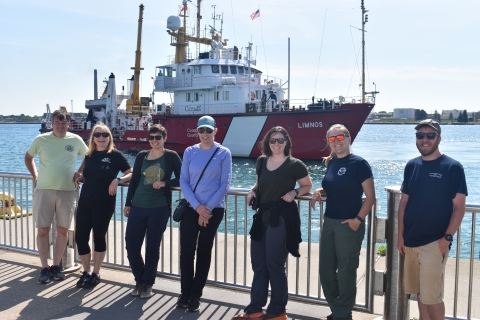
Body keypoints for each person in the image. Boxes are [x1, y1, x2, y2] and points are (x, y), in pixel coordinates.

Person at [234, 126, 312, 320]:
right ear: (267, 143)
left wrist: (294, 192)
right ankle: (255, 310)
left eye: (280, 140)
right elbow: (260, 183)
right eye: (273, 140)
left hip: (282, 218)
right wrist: (252, 190)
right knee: (258, 264)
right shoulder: (261, 161)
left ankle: (277, 311)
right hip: (262, 218)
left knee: (274, 264)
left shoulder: (295, 164)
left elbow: (307, 185)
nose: (276, 144)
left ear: (287, 142)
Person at [397, 119, 467, 320]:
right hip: (410, 241)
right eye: (420, 136)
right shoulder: (412, 166)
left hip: (434, 243)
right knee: (420, 292)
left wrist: (446, 238)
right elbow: (403, 204)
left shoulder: (452, 167)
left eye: (430, 135)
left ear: (439, 138)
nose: (425, 140)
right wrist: (400, 236)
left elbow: (459, 207)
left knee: (432, 297)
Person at [310, 124, 375, 320]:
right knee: (326, 270)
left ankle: (342, 315)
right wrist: (319, 191)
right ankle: (338, 311)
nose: (336, 142)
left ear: (348, 138)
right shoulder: (331, 163)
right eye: (332, 139)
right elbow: (335, 188)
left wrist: (357, 219)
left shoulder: (359, 163)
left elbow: (370, 197)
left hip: (349, 224)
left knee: (346, 271)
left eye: (340, 137)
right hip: (329, 221)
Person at [24, 108, 88, 284]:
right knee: (43, 229)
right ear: (51, 124)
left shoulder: (76, 140)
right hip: (44, 190)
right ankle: (44, 267)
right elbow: (28, 157)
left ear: (69, 124)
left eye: (63, 122)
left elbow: (89, 156)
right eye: (57, 123)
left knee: (63, 229)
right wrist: (35, 176)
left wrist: (80, 172)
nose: (60, 126)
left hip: (67, 191)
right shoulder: (41, 139)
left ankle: (57, 265)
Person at [177, 115, 232, 312]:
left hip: (213, 210)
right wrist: (197, 206)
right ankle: (185, 291)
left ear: (215, 131)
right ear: (197, 132)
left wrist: (206, 208)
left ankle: (195, 295)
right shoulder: (190, 151)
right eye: (202, 130)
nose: (205, 134)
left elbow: (225, 184)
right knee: (186, 252)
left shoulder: (223, 152)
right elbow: (183, 181)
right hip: (193, 208)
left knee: (203, 252)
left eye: (209, 130)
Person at [123, 124, 182, 299]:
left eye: (158, 137)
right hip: (138, 206)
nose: (154, 141)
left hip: (159, 207)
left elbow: (182, 178)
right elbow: (134, 181)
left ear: (164, 138)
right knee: (131, 244)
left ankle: (147, 284)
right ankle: (139, 279)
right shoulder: (142, 156)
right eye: (152, 138)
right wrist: (128, 204)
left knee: (152, 247)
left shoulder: (171, 156)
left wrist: (166, 183)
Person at [74, 123, 132, 289]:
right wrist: (80, 177)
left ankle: (96, 273)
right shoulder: (89, 155)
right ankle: (86, 271)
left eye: (105, 135)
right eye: (98, 135)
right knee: (80, 237)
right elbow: (82, 173)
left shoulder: (115, 155)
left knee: (98, 237)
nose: (101, 138)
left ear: (109, 138)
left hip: (104, 202)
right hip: (85, 200)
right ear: (93, 138)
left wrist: (118, 180)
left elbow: (131, 172)